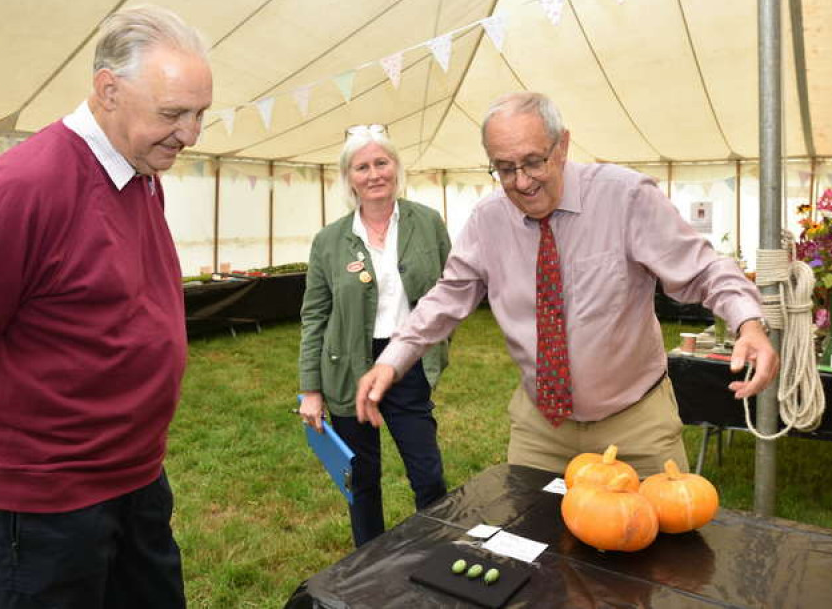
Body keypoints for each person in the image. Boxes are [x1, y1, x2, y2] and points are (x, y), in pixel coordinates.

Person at [356, 92, 779, 479]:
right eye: (505, 168)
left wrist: (748, 324)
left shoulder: (625, 197)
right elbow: (446, 299)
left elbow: (703, 268)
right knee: (532, 548)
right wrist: (392, 360)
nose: (522, 181)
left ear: (563, 146)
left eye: (533, 161)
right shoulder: (488, 220)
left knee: (662, 552)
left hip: (636, 425)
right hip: (541, 429)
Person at [0, 5, 212, 608]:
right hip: (38, 504)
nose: (192, 134)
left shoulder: (141, 168)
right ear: (108, 91)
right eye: (174, 113)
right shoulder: (25, 188)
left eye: (201, 114)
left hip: (133, 479)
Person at [298, 124, 451, 548]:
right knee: (361, 478)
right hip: (347, 366)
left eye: (381, 163)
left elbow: (452, 289)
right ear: (349, 177)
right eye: (362, 167)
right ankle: (368, 563)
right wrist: (311, 389)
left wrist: (436, 347)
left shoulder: (428, 223)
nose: (373, 174)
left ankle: (436, 554)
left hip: (406, 362)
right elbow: (314, 316)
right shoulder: (329, 241)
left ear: (396, 167)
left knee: (427, 473)